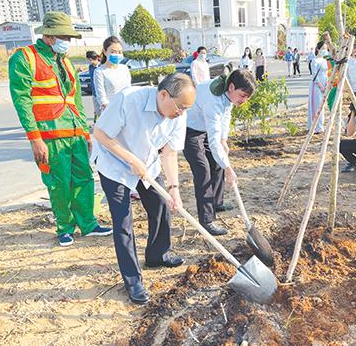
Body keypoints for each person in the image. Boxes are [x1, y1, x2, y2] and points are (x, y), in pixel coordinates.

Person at [8, 11, 112, 247]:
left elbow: (74, 100)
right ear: (50, 35)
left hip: (74, 132)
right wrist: (35, 138)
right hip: (49, 135)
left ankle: (88, 223)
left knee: (84, 178)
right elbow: (22, 101)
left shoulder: (64, 60)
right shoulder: (25, 58)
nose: (69, 42)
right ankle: (65, 227)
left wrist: (85, 132)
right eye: (65, 36)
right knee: (58, 182)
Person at [92, 73, 196, 304]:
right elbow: (100, 133)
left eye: (186, 109)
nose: (181, 112)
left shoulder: (179, 115)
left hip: (147, 163)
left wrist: (174, 188)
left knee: (160, 205)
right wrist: (130, 159)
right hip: (114, 164)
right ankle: (133, 280)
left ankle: (158, 254)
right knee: (123, 222)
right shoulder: (129, 100)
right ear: (163, 94)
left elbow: (169, 153)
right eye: (180, 106)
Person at [183, 70, 257, 236]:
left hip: (206, 128)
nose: (244, 101)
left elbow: (226, 115)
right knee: (203, 171)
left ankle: (217, 202)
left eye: (247, 98)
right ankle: (207, 220)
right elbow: (213, 141)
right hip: (189, 130)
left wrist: (224, 139)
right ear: (231, 87)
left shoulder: (227, 93)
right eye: (242, 96)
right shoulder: (213, 99)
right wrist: (229, 169)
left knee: (216, 164)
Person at [94, 36, 131, 113]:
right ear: (105, 51)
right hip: (110, 112)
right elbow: (101, 97)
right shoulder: (100, 71)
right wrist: (111, 109)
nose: (117, 55)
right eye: (113, 52)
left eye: (120, 52)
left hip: (127, 109)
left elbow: (129, 90)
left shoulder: (124, 68)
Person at [308, 41, 329, 134]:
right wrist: (321, 86)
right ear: (318, 49)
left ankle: (320, 126)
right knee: (316, 106)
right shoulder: (314, 60)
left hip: (324, 84)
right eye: (323, 48)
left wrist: (327, 84)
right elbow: (314, 76)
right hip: (316, 86)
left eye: (326, 48)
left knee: (322, 106)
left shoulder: (324, 60)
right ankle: (314, 127)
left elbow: (326, 73)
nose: (325, 50)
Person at [86, 50, 100, 122]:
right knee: (97, 110)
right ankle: (97, 122)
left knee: (104, 111)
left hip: (102, 92)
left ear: (90, 59)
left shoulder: (101, 66)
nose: (87, 61)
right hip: (94, 92)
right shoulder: (90, 67)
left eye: (87, 60)